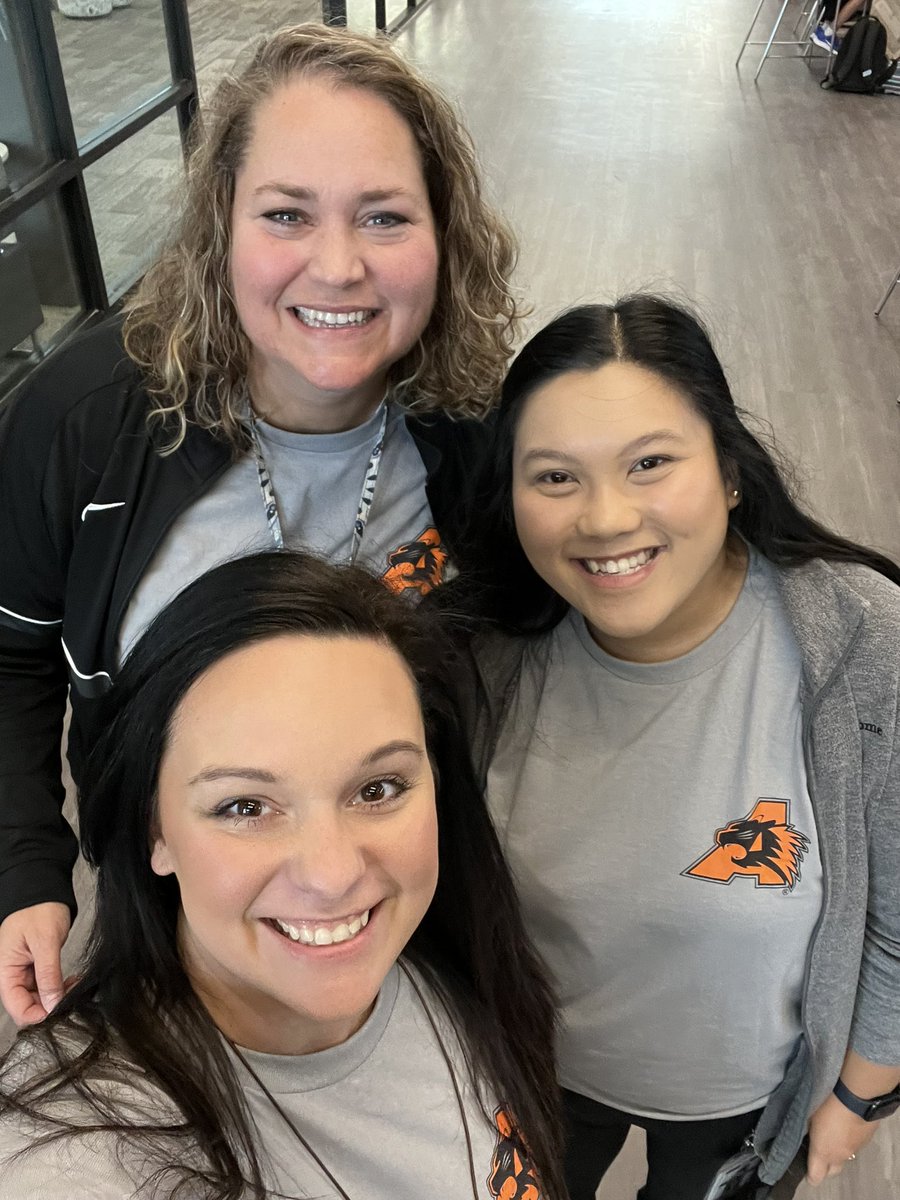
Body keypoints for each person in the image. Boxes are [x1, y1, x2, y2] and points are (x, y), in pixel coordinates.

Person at [0, 22, 520, 1026]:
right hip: (165, 919)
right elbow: (9, 653)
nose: (338, 266)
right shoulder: (85, 421)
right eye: (286, 214)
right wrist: (24, 866)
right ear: (220, 230)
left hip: (397, 906)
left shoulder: (474, 443)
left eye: (383, 217)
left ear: (444, 237)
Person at [441, 295, 900, 1199]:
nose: (606, 519)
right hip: (529, 1072)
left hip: (745, 1100)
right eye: (555, 477)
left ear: (731, 471)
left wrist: (861, 1091)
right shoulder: (478, 655)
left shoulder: (862, 643)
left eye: (650, 463)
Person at [0, 551, 565, 1200]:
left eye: (378, 788)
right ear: (156, 831)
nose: (332, 875)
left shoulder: (464, 971)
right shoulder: (81, 1148)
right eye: (245, 807)